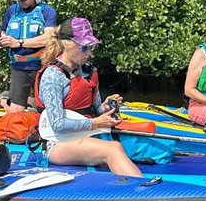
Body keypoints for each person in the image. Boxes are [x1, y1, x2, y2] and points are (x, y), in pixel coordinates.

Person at [34, 17, 142, 177]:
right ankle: (143, 192)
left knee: (124, 147)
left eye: (91, 47)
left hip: (85, 135)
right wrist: (95, 123)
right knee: (113, 148)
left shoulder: (88, 70)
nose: (90, 52)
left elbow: (95, 110)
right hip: (57, 143)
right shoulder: (52, 76)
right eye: (85, 47)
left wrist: (104, 107)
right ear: (67, 44)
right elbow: (57, 124)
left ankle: (130, 188)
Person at [0, 0, 56, 111]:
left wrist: (19, 43)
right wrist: (0, 40)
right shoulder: (11, 11)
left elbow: (49, 38)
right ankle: (4, 101)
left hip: (42, 66)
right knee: (16, 112)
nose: (20, 2)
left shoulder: (47, 11)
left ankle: (22, 99)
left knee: (45, 109)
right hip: (19, 66)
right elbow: (4, 32)